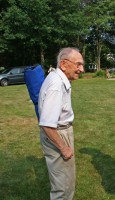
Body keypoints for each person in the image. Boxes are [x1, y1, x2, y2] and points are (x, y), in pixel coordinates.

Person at [38, 47, 84, 200]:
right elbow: (46, 123)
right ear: (64, 64)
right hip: (57, 134)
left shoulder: (57, 80)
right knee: (63, 187)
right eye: (78, 64)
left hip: (59, 131)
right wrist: (63, 147)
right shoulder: (56, 85)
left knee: (66, 182)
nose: (82, 69)